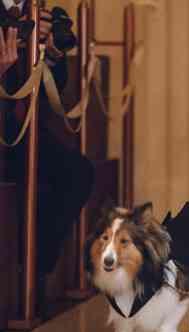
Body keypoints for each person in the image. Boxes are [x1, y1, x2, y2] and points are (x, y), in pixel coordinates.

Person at [0, 0, 94, 315]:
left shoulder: (41, 11)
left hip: (25, 128)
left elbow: (56, 87)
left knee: (78, 172)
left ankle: (36, 269)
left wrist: (51, 54)